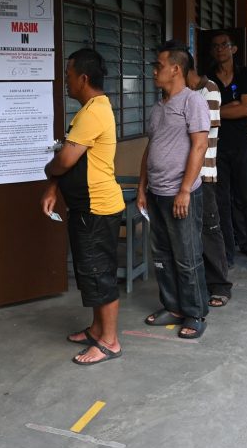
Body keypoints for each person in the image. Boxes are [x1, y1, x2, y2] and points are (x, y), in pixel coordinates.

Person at [41, 49, 126, 366]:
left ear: (84, 78)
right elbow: (71, 163)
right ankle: (96, 329)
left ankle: (110, 342)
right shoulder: (89, 110)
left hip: (98, 207)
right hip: (86, 207)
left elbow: (64, 160)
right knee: (90, 273)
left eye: (68, 75)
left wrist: (49, 173)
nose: (65, 81)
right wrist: (53, 185)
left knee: (100, 273)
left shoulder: (94, 112)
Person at [138, 42, 210, 338]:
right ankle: (173, 306)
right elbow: (150, 149)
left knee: (187, 256)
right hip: (156, 193)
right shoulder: (158, 106)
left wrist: (184, 191)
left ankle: (195, 312)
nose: (154, 70)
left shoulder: (192, 101)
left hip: (181, 194)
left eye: (158, 65)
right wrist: (143, 187)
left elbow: (200, 145)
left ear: (176, 69)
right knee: (162, 255)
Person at [207, 32, 247, 279]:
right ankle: (227, 255)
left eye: (225, 45)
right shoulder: (207, 78)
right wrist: (230, 108)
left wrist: (215, 112)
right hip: (215, 146)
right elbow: (206, 109)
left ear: (233, 49)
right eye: (215, 46)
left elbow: (245, 108)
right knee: (221, 202)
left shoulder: (246, 74)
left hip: (241, 144)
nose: (220, 49)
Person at [185, 62, 232, 308]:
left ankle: (220, 285)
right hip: (183, 176)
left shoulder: (209, 90)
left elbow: (202, 133)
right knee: (190, 232)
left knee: (209, 230)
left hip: (203, 173)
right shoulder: (185, 94)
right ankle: (198, 282)